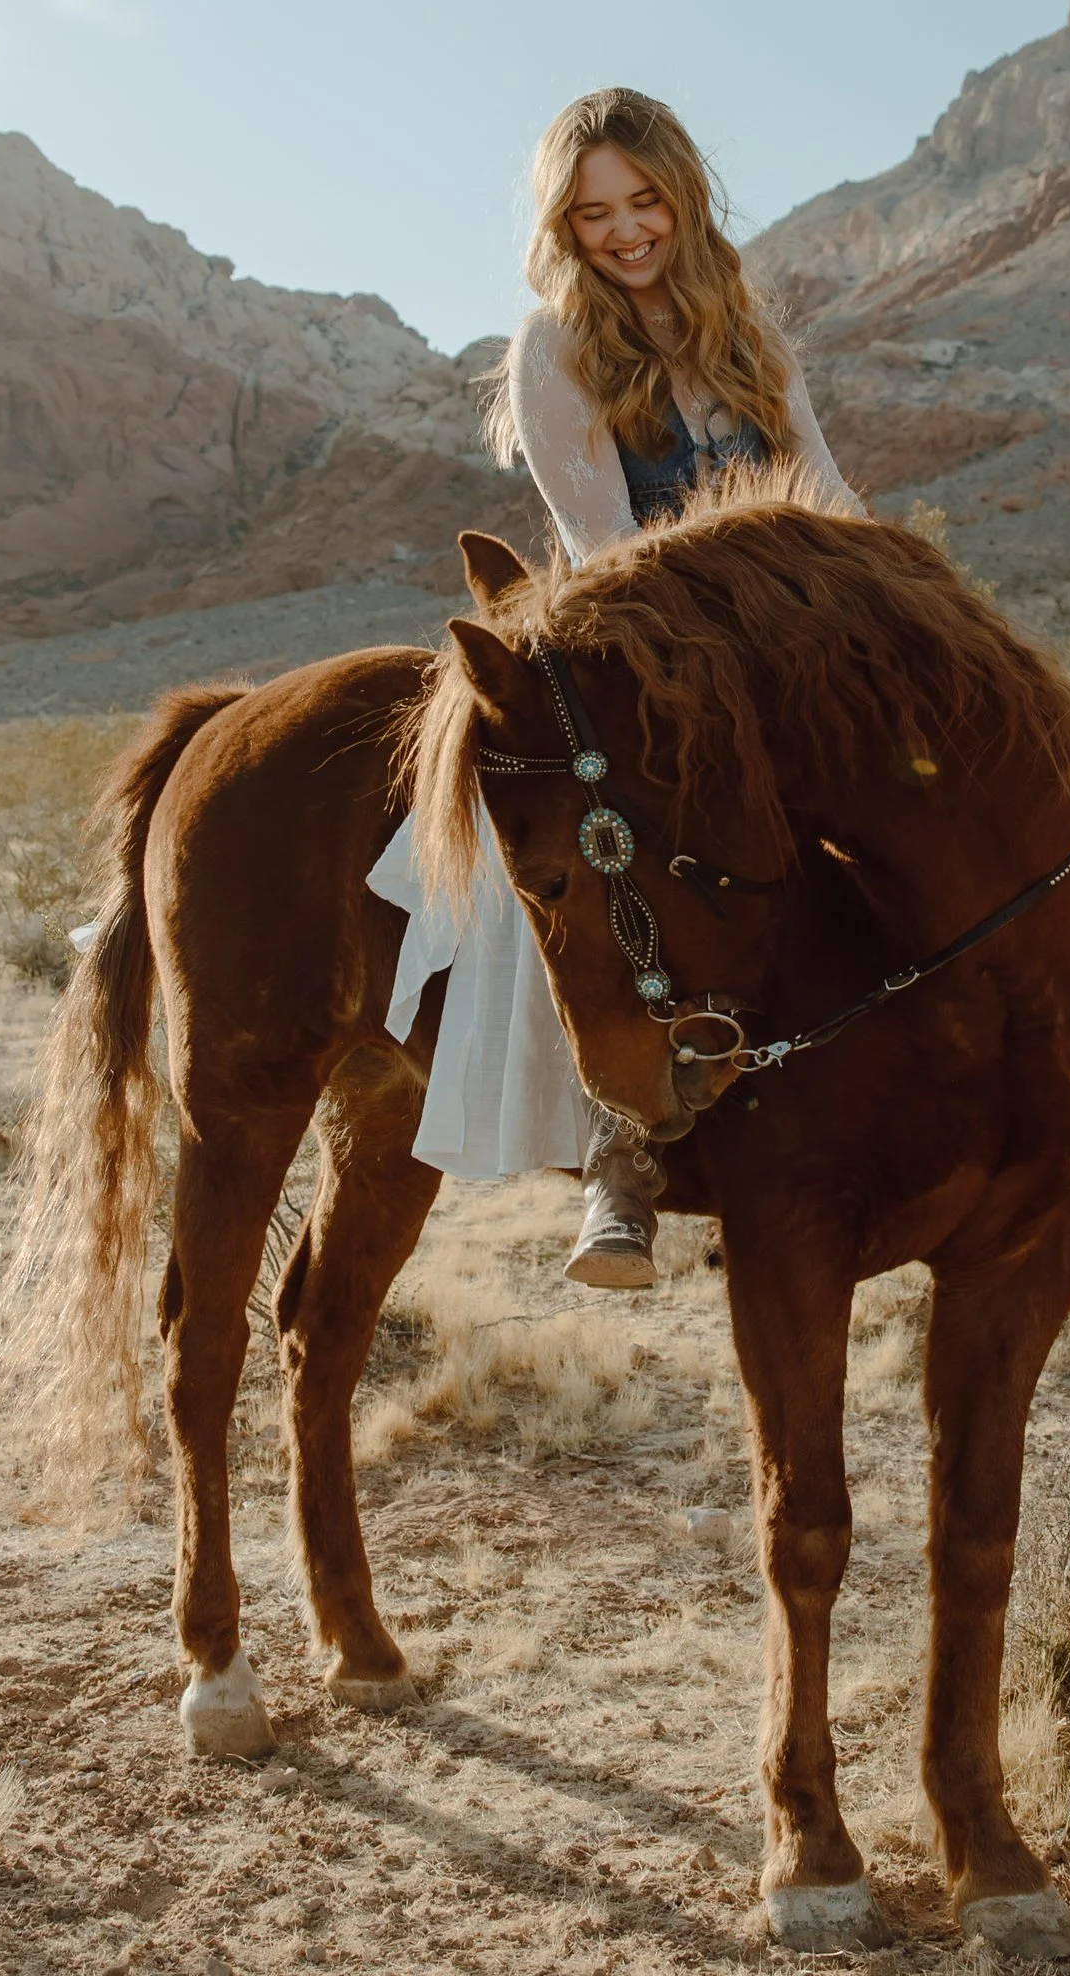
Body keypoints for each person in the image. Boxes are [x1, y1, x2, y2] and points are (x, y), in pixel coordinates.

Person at [366, 87, 861, 1289]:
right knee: (613, 850)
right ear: (565, 227)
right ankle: (624, 1151)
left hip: (784, 646)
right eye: (596, 213)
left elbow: (829, 493)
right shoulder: (556, 342)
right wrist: (740, 646)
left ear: (684, 197)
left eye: (645, 200)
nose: (628, 230)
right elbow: (601, 547)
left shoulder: (747, 329)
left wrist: (892, 611)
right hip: (647, 654)